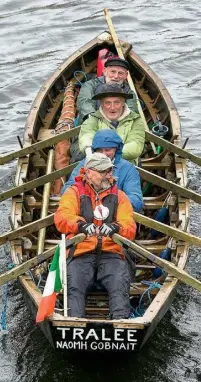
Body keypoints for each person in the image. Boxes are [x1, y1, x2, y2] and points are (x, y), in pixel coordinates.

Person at [54, 153, 137, 319]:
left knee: (120, 287)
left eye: (109, 171)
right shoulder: (74, 193)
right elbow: (62, 217)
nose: (108, 175)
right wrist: (80, 225)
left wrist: (116, 227)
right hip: (81, 252)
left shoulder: (120, 196)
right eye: (103, 172)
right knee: (74, 288)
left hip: (111, 253)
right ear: (89, 173)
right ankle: (73, 324)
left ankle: (121, 324)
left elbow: (129, 226)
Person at [61, 129, 143, 213]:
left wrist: (108, 205)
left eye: (107, 150)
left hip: (116, 217)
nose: (103, 154)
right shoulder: (84, 164)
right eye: (99, 150)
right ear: (94, 150)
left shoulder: (128, 168)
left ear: (116, 149)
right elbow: (67, 190)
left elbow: (136, 201)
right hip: (85, 215)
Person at [75, 84, 145, 163]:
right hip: (97, 163)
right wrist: (90, 152)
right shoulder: (93, 119)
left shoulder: (136, 120)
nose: (112, 107)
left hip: (126, 166)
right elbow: (86, 136)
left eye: (117, 102)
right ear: (101, 104)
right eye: (107, 103)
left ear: (123, 103)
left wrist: (109, 155)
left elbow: (135, 147)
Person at [77, 57, 138, 124]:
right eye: (113, 71)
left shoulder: (129, 92)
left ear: (126, 75)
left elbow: (131, 110)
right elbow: (85, 102)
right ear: (105, 71)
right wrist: (93, 119)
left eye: (120, 73)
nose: (116, 76)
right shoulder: (90, 85)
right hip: (92, 123)